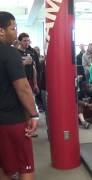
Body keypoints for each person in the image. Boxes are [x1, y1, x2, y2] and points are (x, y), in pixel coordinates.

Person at [0, 11, 38, 180]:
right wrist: (33, 114)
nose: (15, 31)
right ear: (1, 30)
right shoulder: (10, 52)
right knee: (25, 166)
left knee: (3, 166)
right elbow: (22, 88)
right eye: (13, 28)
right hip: (12, 120)